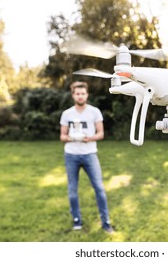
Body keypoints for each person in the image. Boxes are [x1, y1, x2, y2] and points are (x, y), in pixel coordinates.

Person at [60, 81, 113, 233]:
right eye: (77, 93)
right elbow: (62, 136)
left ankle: (106, 222)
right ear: (73, 95)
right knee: (72, 190)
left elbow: (101, 134)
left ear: (87, 95)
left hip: (89, 154)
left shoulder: (94, 112)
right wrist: (72, 138)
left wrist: (89, 138)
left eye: (83, 93)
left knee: (99, 188)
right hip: (71, 155)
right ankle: (77, 221)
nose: (80, 96)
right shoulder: (67, 114)